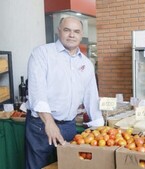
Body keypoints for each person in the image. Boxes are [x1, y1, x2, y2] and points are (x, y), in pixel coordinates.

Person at [25, 17, 104, 169]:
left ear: (81, 35)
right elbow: (37, 93)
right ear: (59, 31)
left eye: (76, 31)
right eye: (67, 30)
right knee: (39, 166)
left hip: (69, 126)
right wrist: (49, 122)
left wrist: (100, 127)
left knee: (67, 165)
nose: (71, 35)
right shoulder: (42, 54)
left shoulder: (86, 64)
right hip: (41, 125)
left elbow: (91, 98)